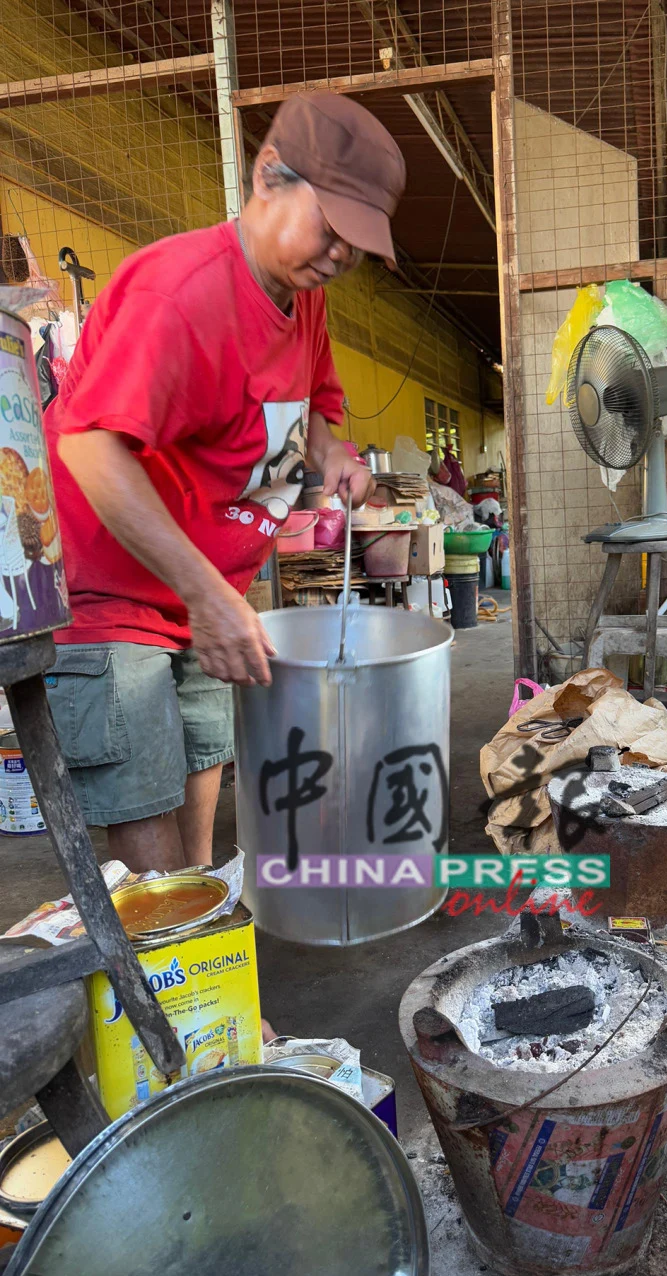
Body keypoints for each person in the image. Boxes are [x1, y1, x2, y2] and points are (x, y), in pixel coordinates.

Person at [44, 91, 405, 876]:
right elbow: (90, 450)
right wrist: (207, 595)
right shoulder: (180, 296)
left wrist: (334, 455)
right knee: (142, 793)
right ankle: (168, 987)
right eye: (331, 228)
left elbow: (315, 404)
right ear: (269, 176)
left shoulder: (300, 298)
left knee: (202, 755)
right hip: (118, 591)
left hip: (208, 589)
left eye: (356, 244)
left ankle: (206, 966)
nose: (341, 256)